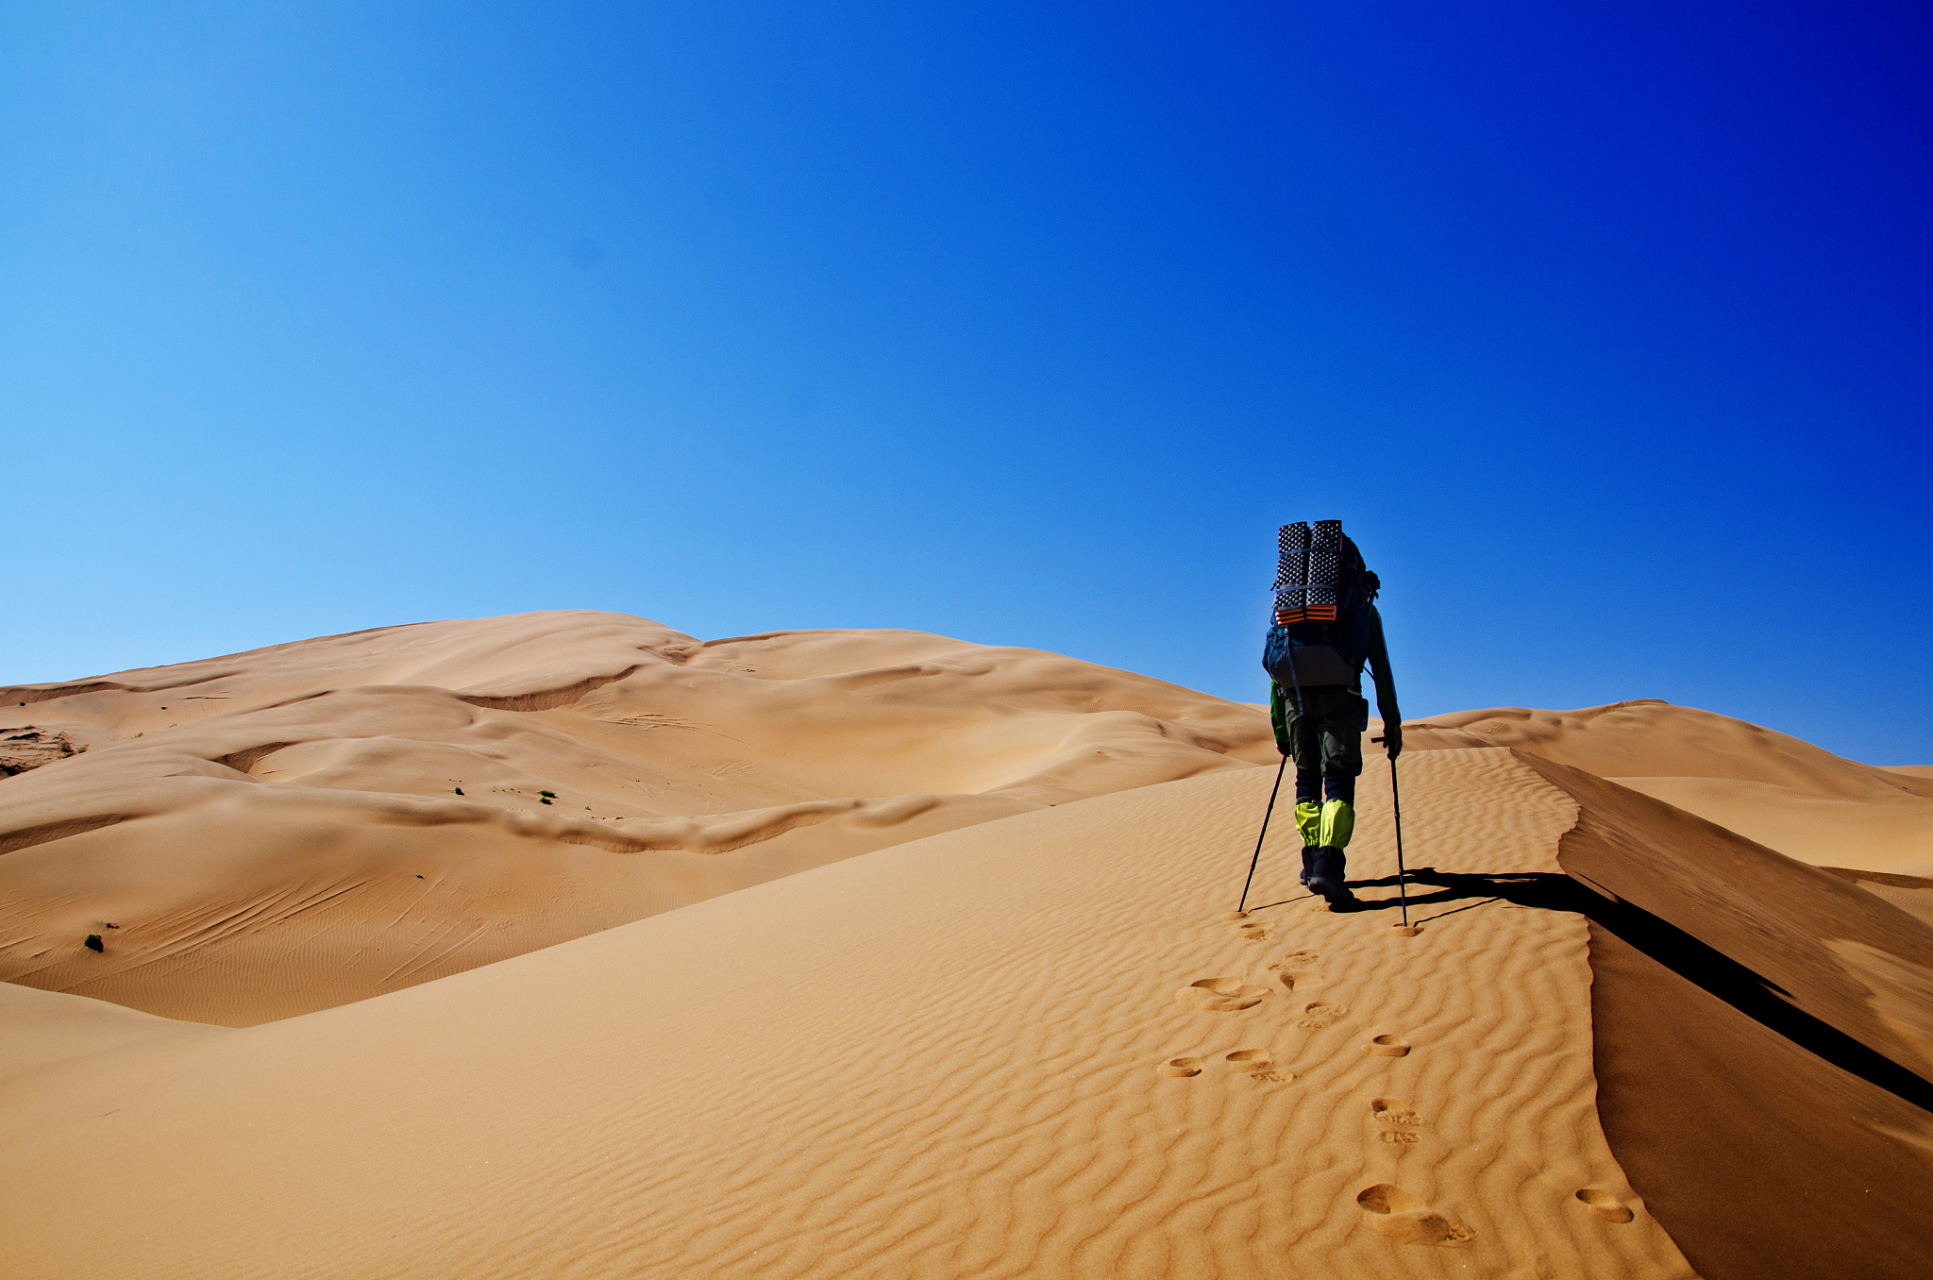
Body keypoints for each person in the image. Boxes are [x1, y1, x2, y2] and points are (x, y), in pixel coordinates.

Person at [1265, 533, 1401, 908]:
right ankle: (1328, 864)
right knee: (1338, 780)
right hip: (1340, 698)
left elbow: (1275, 669)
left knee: (1306, 778)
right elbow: (1382, 670)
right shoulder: (1361, 609)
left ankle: (1311, 864)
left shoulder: (1289, 606)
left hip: (1295, 701)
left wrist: (1280, 728)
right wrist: (1392, 722)